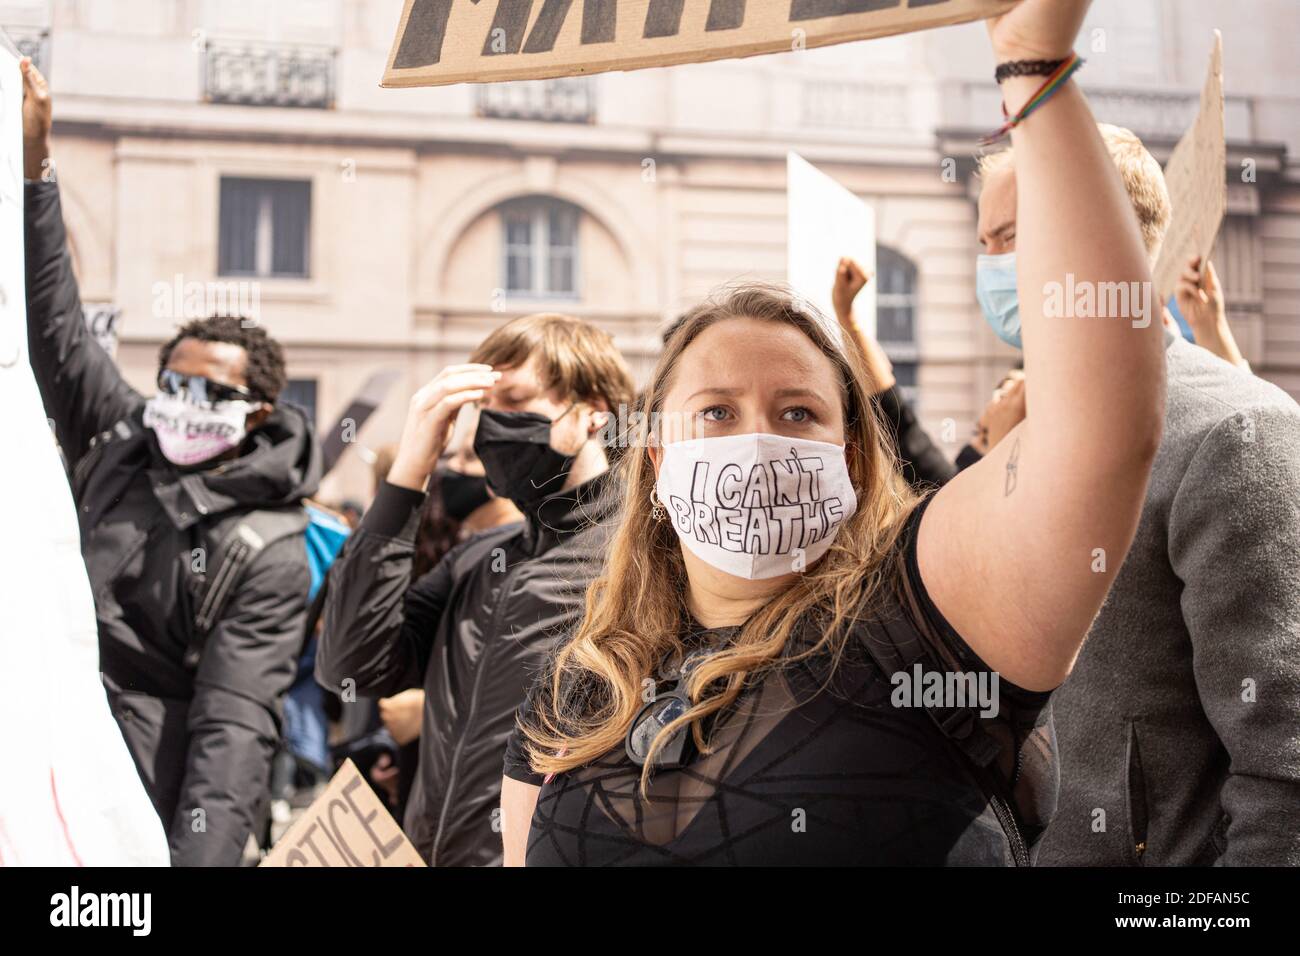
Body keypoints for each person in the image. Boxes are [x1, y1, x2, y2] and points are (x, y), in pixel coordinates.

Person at [500, 0, 1166, 866]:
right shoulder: (584, 680)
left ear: (850, 453)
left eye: (798, 412)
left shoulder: (926, 624)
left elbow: (1100, 432)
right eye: (715, 412)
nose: (757, 438)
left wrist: (1033, 69)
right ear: (656, 455)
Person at [21, 59, 322, 866]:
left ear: (255, 411)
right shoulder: (121, 436)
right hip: (47, 748)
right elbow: (55, 326)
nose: (185, 399)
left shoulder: (271, 546)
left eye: (209, 389)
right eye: (174, 380)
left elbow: (234, 725)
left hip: (136, 794)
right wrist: (35, 169)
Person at [975, 126, 1300, 864]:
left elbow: (1284, 768)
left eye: (1011, 236)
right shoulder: (1025, 439)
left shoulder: (1234, 428)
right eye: (984, 242)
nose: (991, 266)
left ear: (1108, 234)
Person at [316, 312, 635, 865]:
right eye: (481, 408)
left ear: (591, 414)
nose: (490, 426)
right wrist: (409, 472)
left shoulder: (640, 563)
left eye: (513, 402)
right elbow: (350, 664)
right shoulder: (477, 558)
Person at [832, 258, 1025, 488]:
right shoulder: (953, 492)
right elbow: (898, 423)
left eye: (984, 437)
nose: (997, 400)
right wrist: (847, 317)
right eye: (979, 434)